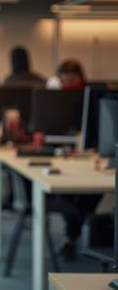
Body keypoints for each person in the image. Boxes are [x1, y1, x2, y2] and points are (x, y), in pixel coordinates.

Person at [45, 59, 101, 261]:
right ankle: (71, 236)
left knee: (93, 191)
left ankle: (71, 236)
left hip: (89, 154)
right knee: (68, 194)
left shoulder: (91, 98)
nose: (69, 84)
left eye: (73, 80)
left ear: (81, 78)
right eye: (65, 80)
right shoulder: (54, 98)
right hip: (61, 154)